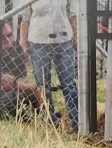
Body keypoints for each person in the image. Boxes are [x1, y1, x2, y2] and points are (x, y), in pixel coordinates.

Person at [19, 0, 78, 131]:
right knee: (43, 86)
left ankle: (77, 122)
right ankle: (52, 122)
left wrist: (76, 36)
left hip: (63, 40)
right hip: (38, 42)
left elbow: (73, 14)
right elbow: (25, 19)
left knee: (69, 84)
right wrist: (23, 43)